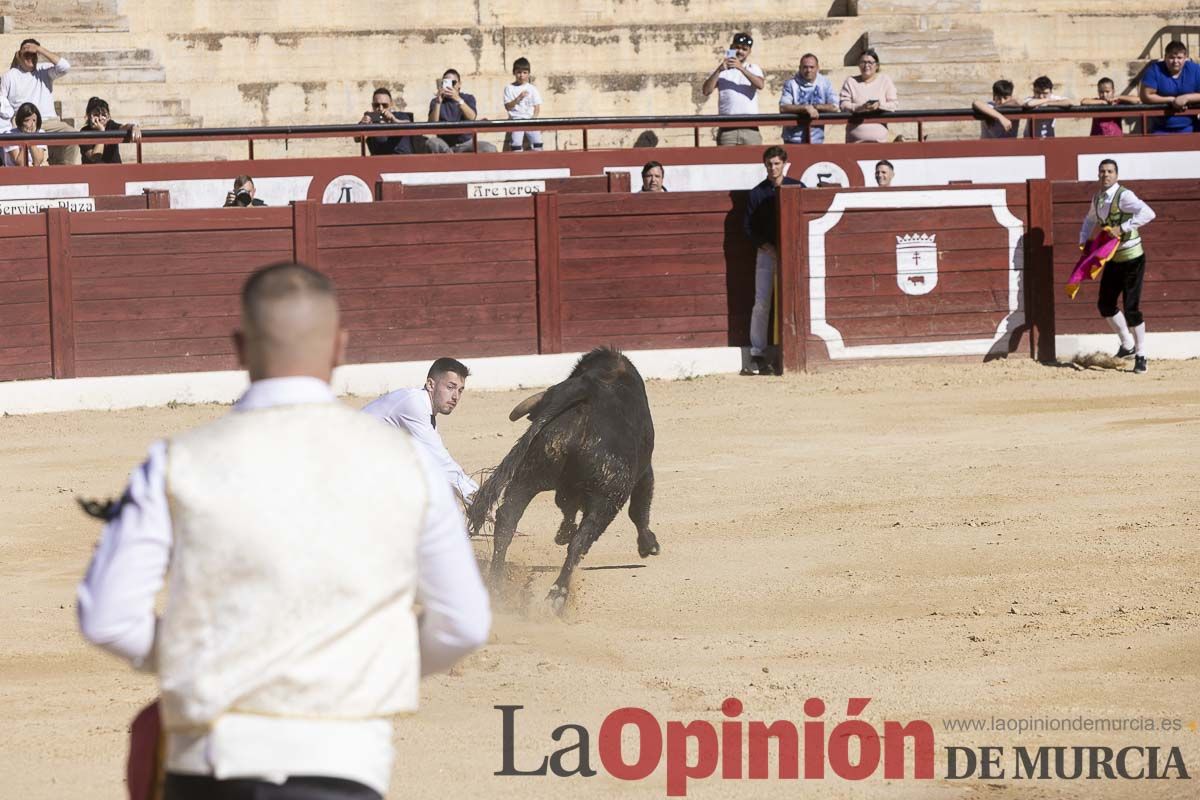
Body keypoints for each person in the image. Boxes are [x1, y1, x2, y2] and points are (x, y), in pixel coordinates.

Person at [76, 262, 491, 799]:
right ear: (339, 348)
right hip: (342, 762)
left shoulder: (175, 462)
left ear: (240, 346)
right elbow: (463, 625)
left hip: (209, 762)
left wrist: (200, 657)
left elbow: (108, 618)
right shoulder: (410, 470)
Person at [362, 358, 479, 503]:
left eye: (460, 390)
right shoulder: (414, 405)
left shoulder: (423, 408)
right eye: (450, 387)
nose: (455, 396)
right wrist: (478, 498)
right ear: (430, 384)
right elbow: (441, 462)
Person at [1078, 159, 1156, 374]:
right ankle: (1127, 344)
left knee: (1131, 308)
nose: (1106, 175)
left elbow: (1148, 213)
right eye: (1102, 171)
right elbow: (1089, 219)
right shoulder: (1097, 198)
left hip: (1132, 257)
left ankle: (1141, 355)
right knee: (1105, 304)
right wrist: (1084, 238)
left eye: (1110, 171)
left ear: (1116, 175)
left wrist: (1122, 227)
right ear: (1098, 175)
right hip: (1112, 257)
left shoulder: (1124, 195)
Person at [742, 146, 803, 376]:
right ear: (765, 165)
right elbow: (748, 228)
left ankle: (798, 344)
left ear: (784, 164)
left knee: (796, 299)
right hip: (767, 252)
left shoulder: (797, 187)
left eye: (777, 163)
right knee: (762, 302)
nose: (773, 167)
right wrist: (768, 248)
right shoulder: (757, 193)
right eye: (769, 164)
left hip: (794, 253)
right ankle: (757, 352)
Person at [0, 38, 75, 164]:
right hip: (22, 123)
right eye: (27, 54)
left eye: (34, 54)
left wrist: (40, 49)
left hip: (50, 122)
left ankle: (67, 176)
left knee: (73, 136)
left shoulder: (43, 70)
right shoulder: (9, 76)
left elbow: (65, 67)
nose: (31, 57)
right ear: (19, 55)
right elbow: (3, 105)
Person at [701, 32, 765, 146]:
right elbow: (706, 91)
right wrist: (719, 70)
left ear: (749, 51)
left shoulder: (753, 68)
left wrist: (741, 68)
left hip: (750, 128)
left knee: (754, 162)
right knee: (726, 162)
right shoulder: (721, 70)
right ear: (731, 48)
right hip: (727, 128)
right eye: (737, 48)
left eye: (744, 49)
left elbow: (760, 85)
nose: (740, 51)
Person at [426, 69, 497, 154]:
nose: (449, 86)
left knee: (489, 148)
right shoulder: (436, 101)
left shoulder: (468, 98)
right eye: (446, 82)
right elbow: (431, 124)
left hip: (466, 143)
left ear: (459, 84)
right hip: (445, 145)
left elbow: (472, 117)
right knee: (432, 142)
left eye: (453, 82)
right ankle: (451, 158)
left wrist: (457, 99)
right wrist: (438, 102)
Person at [1139, 40, 1200, 133]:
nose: (1175, 61)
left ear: (1185, 58)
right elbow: (1145, 96)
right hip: (1160, 128)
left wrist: (1187, 98)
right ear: (1165, 57)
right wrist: (1171, 100)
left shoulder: (1195, 69)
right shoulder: (1154, 70)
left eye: (1179, 58)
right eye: (1171, 57)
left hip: (1190, 126)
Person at [839, 48, 898, 143]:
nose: (866, 65)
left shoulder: (885, 81)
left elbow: (894, 104)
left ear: (877, 66)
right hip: (855, 142)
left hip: (879, 142)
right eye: (863, 62)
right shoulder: (850, 81)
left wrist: (880, 105)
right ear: (858, 65)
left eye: (870, 62)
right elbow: (843, 105)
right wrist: (860, 107)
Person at [779, 53, 838, 144]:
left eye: (812, 67)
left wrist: (816, 107)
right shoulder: (791, 84)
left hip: (817, 138)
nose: (808, 70)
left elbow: (835, 106)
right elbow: (783, 107)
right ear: (800, 68)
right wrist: (805, 108)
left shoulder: (825, 83)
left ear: (817, 68)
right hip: (793, 138)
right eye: (805, 67)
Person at [355, 87, 417, 156]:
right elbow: (356, 139)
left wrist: (394, 120)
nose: (380, 108)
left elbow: (409, 126)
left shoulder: (400, 116)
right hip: (379, 163)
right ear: (372, 105)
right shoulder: (370, 120)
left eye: (385, 105)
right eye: (376, 105)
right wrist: (364, 125)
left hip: (402, 161)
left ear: (391, 104)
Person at [79, 96, 141, 164]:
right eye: (96, 115)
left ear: (108, 117)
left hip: (114, 172)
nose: (100, 118)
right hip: (94, 172)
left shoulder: (111, 125)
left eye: (103, 115)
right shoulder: (84, 132)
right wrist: (101, 132)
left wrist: (133, 126)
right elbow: (95, 158)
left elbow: (124, 127)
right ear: (89, 116)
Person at [503, 57, 543, 151]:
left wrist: (534, 118)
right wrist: (518, 98)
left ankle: (538, 163)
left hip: (530, 120)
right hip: (516, 120)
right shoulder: (509, 88)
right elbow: (507, 107)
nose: (521, 75)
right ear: (514, 73)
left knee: (537, 144)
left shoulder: (532, 88)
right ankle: (517, 164)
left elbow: (537, 106)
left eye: (524, 72)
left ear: (528, 74)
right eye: (519, 72)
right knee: (516, 145)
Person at [3, 101, 47, 167]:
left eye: (34, 120)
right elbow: (21, 164)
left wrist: (31, 138)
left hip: (36, 173)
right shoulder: (10, 134)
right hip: (16, 174)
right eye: (27, 120)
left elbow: (37, 162)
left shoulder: (41, 133)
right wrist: (26, 138)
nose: (31, 124)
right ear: (20, 121)